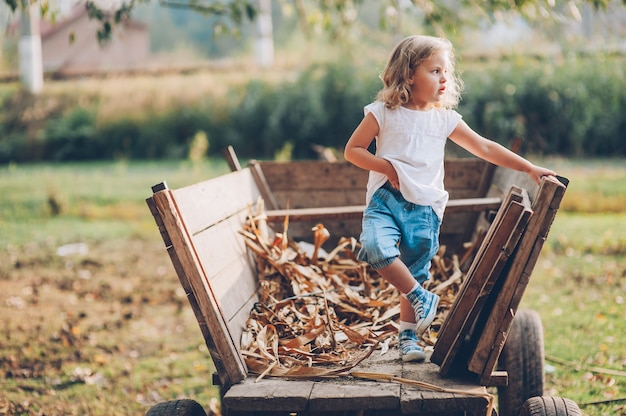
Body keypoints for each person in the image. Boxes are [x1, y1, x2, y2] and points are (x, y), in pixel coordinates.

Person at [344, 35, 556, 363]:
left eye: (446, 71)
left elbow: (485, 147)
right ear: (409, 73)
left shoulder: (444, 119)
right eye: (435, 71)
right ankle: (420, 298)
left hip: (426, 206)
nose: (444, 78)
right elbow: (352, 151)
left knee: (414, 267)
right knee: (374, 246)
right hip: (386, 199)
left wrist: (528, 168)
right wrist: (384, 166)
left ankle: (409, 336)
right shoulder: (382, 113)